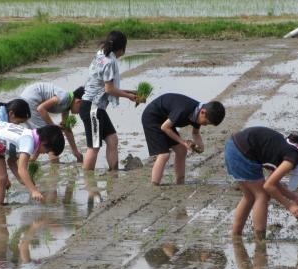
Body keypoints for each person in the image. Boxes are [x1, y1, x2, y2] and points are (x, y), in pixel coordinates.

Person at [225, 126, 298, 239]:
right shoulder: (293, 158)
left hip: (235, 147)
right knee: (262, 195)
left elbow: (273, 182)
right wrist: (290, 206)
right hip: (242, 153)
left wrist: (296, 199)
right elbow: (268, 186)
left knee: (249, 196)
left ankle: (236, 234)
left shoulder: (296, 149)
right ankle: (260, 240)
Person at [80, 30, 138, 170]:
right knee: (94, 147)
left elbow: (105, 86)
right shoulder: (110, 62)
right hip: (92, 107)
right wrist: (129, 96)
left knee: (112, 140)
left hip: (94, 106)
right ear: (122, 48)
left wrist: (131, 92)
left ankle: (114, 173)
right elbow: (109, 89)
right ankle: (88, 182)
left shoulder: (100, 54)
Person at [141, 93, 225, 185]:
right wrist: (183, 142)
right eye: (206, 122)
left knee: (181, 150)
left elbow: (195, 133)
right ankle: (154, 184)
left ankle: (180, 182)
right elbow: (165, 128)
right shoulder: (184, 110)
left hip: (166, 119)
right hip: (152, 117)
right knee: (164, 154)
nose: (205, 125)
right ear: (203, 112)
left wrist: (200, 147)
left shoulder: (198, 114)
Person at [20, 82, 84, 162]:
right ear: (78, 102)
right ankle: (54, 165)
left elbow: (66, 128)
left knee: (40, 136)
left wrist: (75, 152)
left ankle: (31, 161)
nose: (79, 113)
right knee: (48, 137)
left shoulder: (67, 106)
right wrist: (53, 126)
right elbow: (41, 108)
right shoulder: (64, 97)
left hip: (28, 99)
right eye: (82, 109)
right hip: (31, 100)